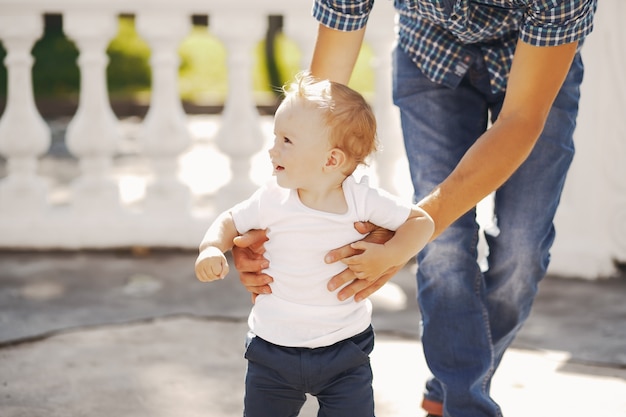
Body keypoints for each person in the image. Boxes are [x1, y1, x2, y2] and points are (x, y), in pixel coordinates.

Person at [232, 1, 598, 416]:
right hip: (431, 57)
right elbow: (315, 114)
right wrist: (287, 213)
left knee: (522, 251)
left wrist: (408, 235)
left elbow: (521, 117)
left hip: (537, 68)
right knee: (444, 250)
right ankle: (464, 401)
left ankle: (454, 378)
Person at [195, 72, 435, 417]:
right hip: (272, 352)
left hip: (345, 353)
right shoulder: (272, 198)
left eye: (287, 140)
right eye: (275, 137)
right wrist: (211, 248)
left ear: (331, 160)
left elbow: (420, 222)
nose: (272, 148)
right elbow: (230, 219)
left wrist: (390, 254)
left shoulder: (361, 200)